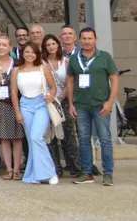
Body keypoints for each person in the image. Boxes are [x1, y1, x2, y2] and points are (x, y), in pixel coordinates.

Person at [68, 27, 119, 186]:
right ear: (79, 40)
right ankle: (87, 173)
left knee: (105, 139)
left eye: (90, 38)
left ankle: (108, 173)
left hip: (100, 106)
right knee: (83, 139)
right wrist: (71, 103)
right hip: (81, 106)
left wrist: (110, 102)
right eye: (84, 38)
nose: (87, 41)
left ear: (95, 40)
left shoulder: (104, 57)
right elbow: (70, 81)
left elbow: (115, 79)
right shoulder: (75, 58)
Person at [12, 42, 59, 185]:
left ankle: (50, 172)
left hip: (41, 105)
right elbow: (14, 93)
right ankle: (35, 174)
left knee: (36, 137)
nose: (30, 55)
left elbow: (53, 87)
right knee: (32, 141)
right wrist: (17, 112)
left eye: (32, 52)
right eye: (27, 52)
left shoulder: (43, 68)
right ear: (22, 53)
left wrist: (50, 96)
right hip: (25, 106)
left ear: (37, 54)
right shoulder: (16, 71)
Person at [43, 34, 81, 178]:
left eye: (53, 44)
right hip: (48, 103)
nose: (51, 47)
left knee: (68, 135)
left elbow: (69, 82)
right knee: (51, 136)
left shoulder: (66, 61)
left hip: (63, 101)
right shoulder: (42, 63)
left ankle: (74, 166)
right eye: (48, 45)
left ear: (58, 45)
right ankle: (55, 168)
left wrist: (61, 97)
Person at [0, 35, 24, 180]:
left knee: (17, 138)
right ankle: (8, 169)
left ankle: (17, 169)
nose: (1, 47)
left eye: (4, 45)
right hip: (0, 105)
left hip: (15, 105)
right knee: (4, 138)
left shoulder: (16, 64)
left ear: (10, 47)